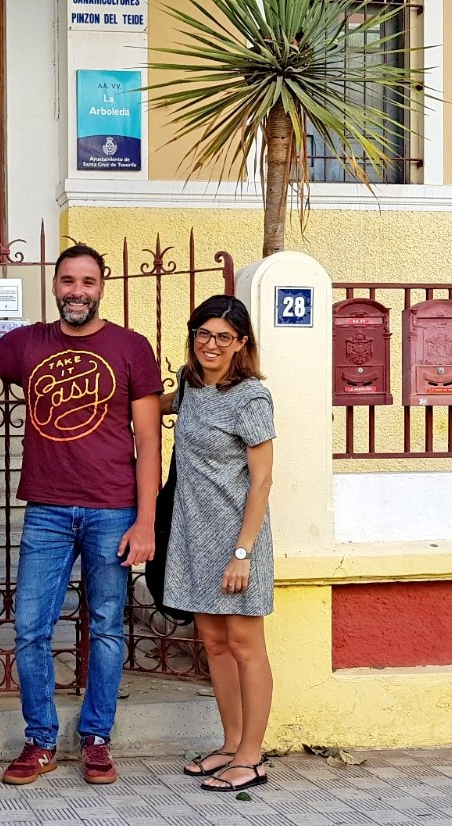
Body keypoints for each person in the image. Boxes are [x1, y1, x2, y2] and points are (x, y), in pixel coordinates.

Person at [0, 243, 163, 786]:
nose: (77, 291)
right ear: (55, 287)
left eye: (87, 281)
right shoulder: (28, 341)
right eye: (68, 281)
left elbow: (148, 442)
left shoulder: (131, 348)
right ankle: (40, 741)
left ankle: (98, 739)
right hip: (49, 510)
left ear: (101, 287)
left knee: (106, 627)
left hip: (112, 508)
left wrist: (144, 521)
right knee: (30, 628)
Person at [162, 295, 276, 794]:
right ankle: (229, 744)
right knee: (214, 644)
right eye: (203, 334)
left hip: (236, 539)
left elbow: (263, 481)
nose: (211, 344)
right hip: (192, 535)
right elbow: (152, 403)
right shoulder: (189, 388)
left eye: (223, 337)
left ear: (241, 343)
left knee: (246, 646)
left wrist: (242, 552)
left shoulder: (251, 397)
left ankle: (252, 756)